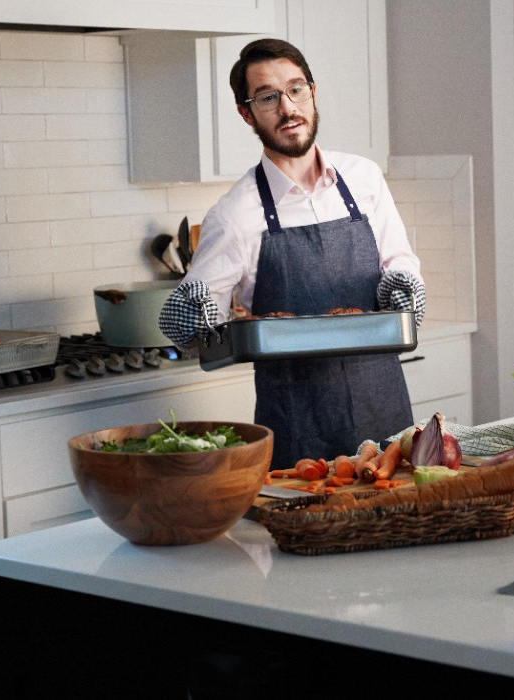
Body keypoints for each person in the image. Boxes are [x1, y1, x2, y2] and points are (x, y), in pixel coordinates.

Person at [159, 38, 424, 470]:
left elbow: (399, 262)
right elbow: (192, 330)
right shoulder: (234, 214)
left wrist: (405, 285)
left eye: (296, 89)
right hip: (299, 425)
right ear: (247, 114)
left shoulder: (364, 178)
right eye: (268, 97)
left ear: (313, 92)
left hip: (386, 410)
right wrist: (194, 316)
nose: (288, 108)